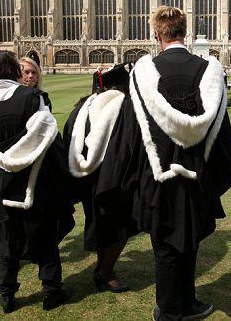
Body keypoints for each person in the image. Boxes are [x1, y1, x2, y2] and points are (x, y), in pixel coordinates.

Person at [111, 6, 231, 320]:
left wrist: (130, 177)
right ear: (185, 33)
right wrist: (215, 174)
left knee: (164, 243)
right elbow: (221, 134)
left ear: (158, 35)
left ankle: (172, 308)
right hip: (198, 171)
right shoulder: (209, 72)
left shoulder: (142, 75)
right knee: (190, 237)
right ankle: (181, 304)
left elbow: (130, 133)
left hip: (157, 174)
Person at [0, 51, 75, 313]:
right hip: (33, 183)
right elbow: (48, 142)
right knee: (44, 237)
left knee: (5, 241)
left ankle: (6, 296)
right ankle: (51, 292)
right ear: (14, 72)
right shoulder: (32, 99)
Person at [63, 64, 136, 294]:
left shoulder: (82, 106)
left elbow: (68, 136)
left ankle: (103, 268)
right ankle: (105, 271)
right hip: (110, 180)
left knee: (102, 224)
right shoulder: (122, 108)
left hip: (85, 177)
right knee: (120, 227)